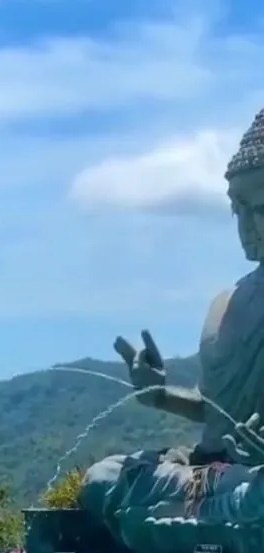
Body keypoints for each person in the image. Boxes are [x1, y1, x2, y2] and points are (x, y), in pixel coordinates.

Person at [114, 108, 264, 469]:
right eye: (235, 210)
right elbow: (210, 409)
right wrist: (160, 394)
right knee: (109, 475)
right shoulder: (225, 304)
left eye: (259, 208)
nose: (244, 225)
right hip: (212, 470)